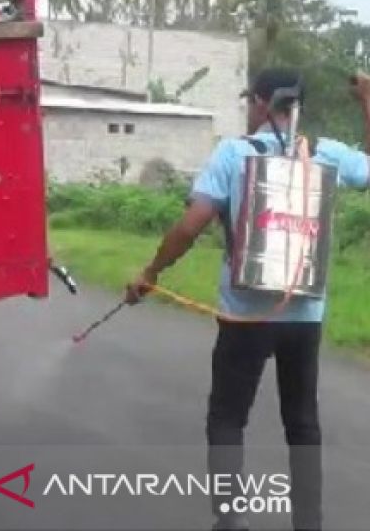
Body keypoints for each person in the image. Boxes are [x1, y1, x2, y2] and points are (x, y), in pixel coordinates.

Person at [125, 68, 370, 531]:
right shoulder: (327, 155)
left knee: (228, 417)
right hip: (305, 315)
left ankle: (230, 520)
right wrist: (367, 102)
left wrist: (151, 273)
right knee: (302, 423)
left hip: (243, 315)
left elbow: (190, 225)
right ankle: (308, 523)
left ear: (260, 103)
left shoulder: (234, 153)